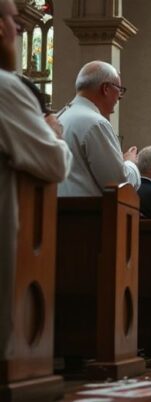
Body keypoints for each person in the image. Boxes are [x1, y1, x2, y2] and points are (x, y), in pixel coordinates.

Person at [0, 0, 72, 360]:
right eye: (15, 21)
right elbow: (54, 163)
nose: (20, 30)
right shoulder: (5, 88)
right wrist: (54, 132)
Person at [57, 60, 140, 196]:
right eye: (119, 90)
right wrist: (131, 164)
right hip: (85, 214)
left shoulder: (60, 116)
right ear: (106, 88)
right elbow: (118, 184)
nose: (119, 97)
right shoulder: (95, 123)